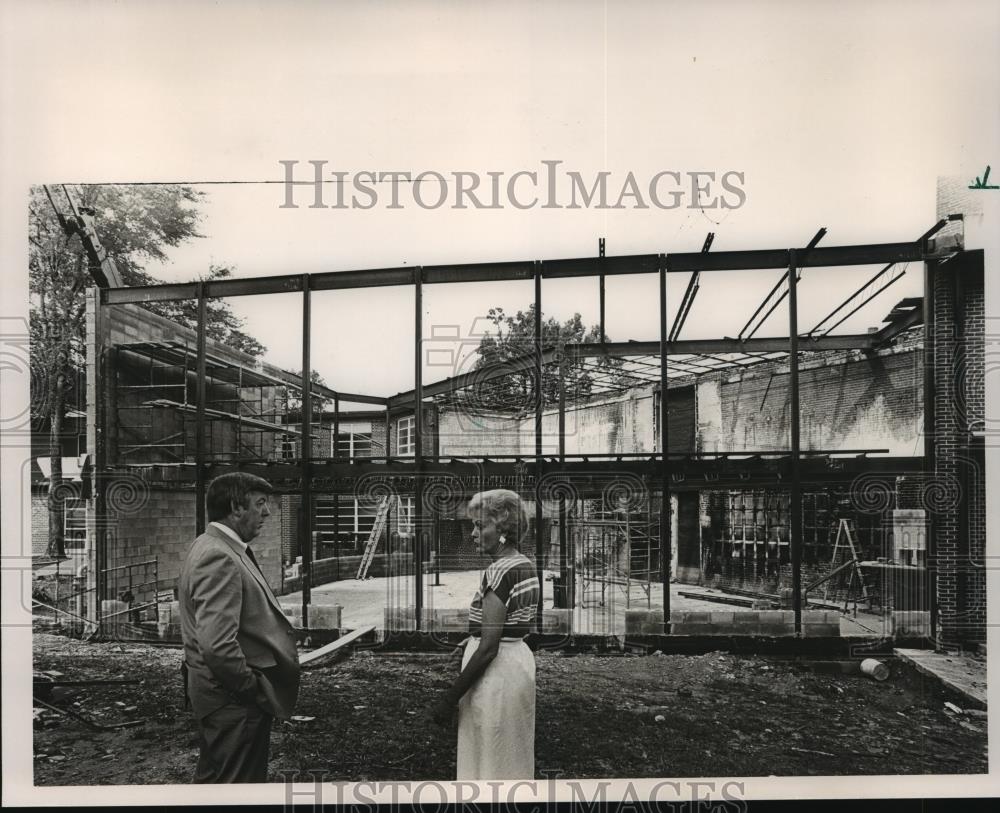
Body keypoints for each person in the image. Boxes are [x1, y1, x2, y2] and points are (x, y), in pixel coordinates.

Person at [178, 472, 300, 783]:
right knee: (240, 788)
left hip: (218, 700)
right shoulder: (220, 556)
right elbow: (217, 645)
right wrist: (253, 689)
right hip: (232, 703)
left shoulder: (210, 545)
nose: (267, 512)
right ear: (236, 508)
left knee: (214, 783)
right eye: (260, 503)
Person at [430, 489, 541, 780]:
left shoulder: (499, 571)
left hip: (495, 675)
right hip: (517, 664)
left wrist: (449, 699)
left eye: (481, 526)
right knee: (511, 754)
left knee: (489, 757)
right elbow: (514, 625)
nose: (473, 534)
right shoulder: (525, 565)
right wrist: (473, 637)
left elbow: (490, 647)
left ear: (503, 529)